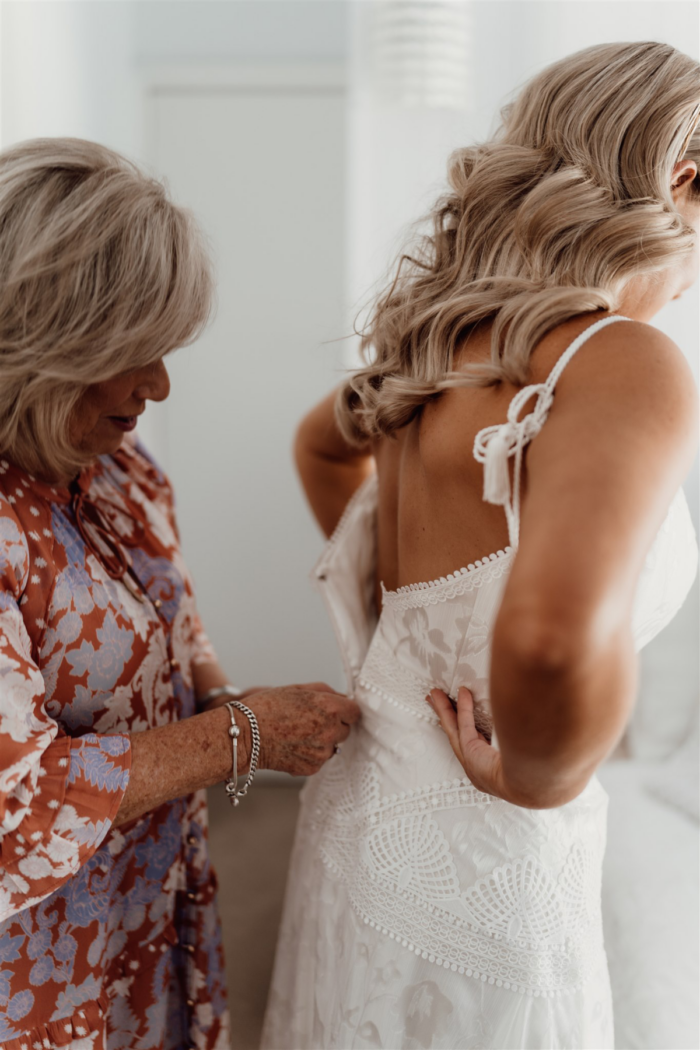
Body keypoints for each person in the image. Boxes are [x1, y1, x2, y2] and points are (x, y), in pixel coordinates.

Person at [261, 41, 699, 1050]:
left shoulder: (435, 346)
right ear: (680, 180)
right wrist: (538, 781)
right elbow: (547, 639)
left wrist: (406, 620)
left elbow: (319, 447)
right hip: (486, 849)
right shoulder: (617, 363)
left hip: (362, 818)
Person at [0, 138, 360, 1050]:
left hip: (143, 916)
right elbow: (18, 801)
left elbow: (171, 621)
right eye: (136, 353)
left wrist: (230, 701)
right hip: (36, 973)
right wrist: (244, 736)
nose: (159, 386)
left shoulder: (118, 465)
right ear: (44, 340)